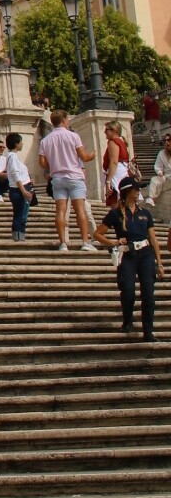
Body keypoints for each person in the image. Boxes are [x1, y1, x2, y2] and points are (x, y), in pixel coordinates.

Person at [99, 178, 164, 341]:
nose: (138, 192)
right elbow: (97, 234)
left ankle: (148, 331)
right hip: (127, 254)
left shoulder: (145, 213)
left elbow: (153, 238)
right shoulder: (115, 213)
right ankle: (128, 321)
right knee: (128, 290)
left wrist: (160, 262)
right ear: (128, 191)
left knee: (148, 294)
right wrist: (113, 242)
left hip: (145, 254)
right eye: (136, 189)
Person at [37, 109, 99, 253]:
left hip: (57, 178)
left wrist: (53, 165)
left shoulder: (45, 140)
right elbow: (83, 157)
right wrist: (92, 155)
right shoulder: (73, 136)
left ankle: (63, 243)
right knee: (80, 211)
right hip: (74, 177)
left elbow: (42, 162)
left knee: (60, 211)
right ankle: (85, 241)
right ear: (64, 120)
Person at [4, 132, 34, 241]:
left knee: (23, 216)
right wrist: (23, 190)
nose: (22, 144)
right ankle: (17, 237)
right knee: (19, 215)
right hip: (18, 190)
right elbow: (15, 174)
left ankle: (21, 236)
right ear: (16, 144)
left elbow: (19, 174)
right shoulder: (12, 157)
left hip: (23, 187)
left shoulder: (15, 157)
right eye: (21, 142)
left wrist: (28, 180)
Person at [102, 121, 133, 207]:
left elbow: (114, 162)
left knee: (116, 205)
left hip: (116, 175)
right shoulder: (121, 142)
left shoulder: (113, 142)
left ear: (114, 130)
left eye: (106, 130)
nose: (105, 132)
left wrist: (108, 181)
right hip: (122, 173)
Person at [148, 131, 171, 207]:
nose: (167, 143)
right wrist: (159, 172)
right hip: (167, 176)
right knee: (154, 179)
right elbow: (158, 166)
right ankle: (151, 198)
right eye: (165, 141)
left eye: (169, 140)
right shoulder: (162, 153)